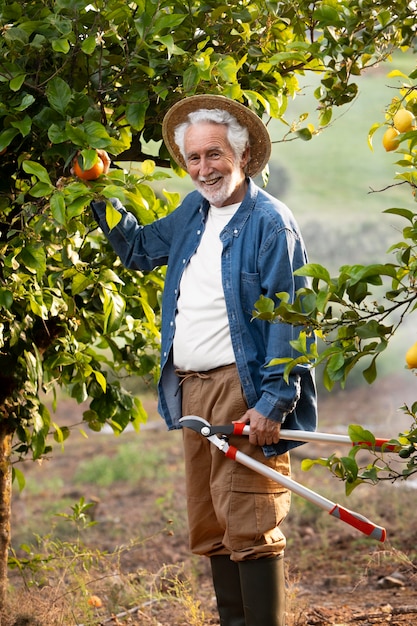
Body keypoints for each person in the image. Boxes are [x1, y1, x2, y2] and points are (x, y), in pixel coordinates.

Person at [91, 95, 317, 626]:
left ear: (241, 155)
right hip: (194, 390)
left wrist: (274, 403)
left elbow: (294, 317)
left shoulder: (269, 223)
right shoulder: (194, 211)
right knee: (214, 523)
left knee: (250, 519)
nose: (202, 168)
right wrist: (98, 190)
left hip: (243, 389)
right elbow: (139, 249)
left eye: (213, 154)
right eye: (193, 158)